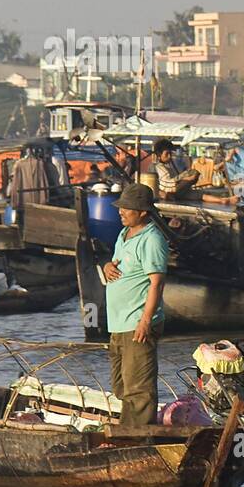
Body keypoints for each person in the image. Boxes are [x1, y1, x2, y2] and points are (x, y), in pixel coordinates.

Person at [102, 182, 168, 429]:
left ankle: (137, 438)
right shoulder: (123, 235)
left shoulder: (152, 239)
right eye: (121, 207)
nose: (121, 211)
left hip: (136, 324)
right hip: (118, 323)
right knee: (121, 386)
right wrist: (107, 267)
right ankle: (127, 431)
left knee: (138, 389)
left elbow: (157, 284)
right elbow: (116, 263)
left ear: (142, 212)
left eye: (127, 208)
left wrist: (145, 321)